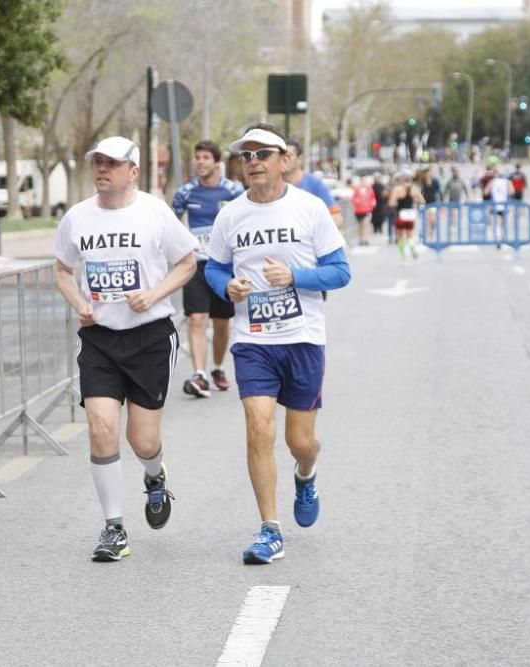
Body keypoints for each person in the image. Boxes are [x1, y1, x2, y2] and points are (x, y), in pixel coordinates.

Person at [204, 124, 351, 565]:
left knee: (300, 441)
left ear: (283, 159)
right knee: (258, 426)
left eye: (261, 154)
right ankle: (270, 529)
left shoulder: (309, 209)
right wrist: (226, 286)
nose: (252, 163)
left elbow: (341, 272)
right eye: (245, 156)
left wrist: (296, 277)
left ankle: (306, 475)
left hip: (303, 337)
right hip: (254, 341)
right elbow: (213, 268)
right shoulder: (231, 214)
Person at [53, 136, 198, 562]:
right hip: (100, 338)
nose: (102, 169)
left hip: (150, 337)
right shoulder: (77, 217)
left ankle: (155, 476)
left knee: (142, 439)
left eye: (111, 163)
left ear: (132, 171)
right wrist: (80, 303)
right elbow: (62, 270)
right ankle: (114, 528)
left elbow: (188, 261)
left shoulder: (154, 212)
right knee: (101, 428)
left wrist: (154, 294)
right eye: (98, 162)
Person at [171, 140, 245, 397]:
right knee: (197, 318)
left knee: (222, 323)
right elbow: (172, 225)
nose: (200, 162)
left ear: (216, 162)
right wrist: (180, 250)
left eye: (205, 158)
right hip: (197, 266)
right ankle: (199, 374)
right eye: (197, 157)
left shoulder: (234, 192)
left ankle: (216, 368)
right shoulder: (185, 193)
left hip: (224, 267)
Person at [283, 138, 344, 230]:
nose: (284, 160)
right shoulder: (272, 185)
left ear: (299, 159)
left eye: (288, 156)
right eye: (281, 156)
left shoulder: (314, 184)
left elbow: (336, 217)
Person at [387, 169, 424, 261]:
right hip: (411, 214)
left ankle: (403, 256)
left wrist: (395, 203)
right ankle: (412, 247)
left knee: (400, 236)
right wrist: (415, 202)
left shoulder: (397, 189)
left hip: (401, 214)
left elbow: (391, 203)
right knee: (410, 235)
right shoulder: (414, 189)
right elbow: (422, 201)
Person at [484, 166, 514, 248]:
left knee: (498, 223)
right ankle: (502, 237)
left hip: (495, 204)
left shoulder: (492, 181)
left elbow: (486, 192)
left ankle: (499, 238)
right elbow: (512, 192)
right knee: (503, 222)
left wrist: (492, 193)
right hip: (504, 204)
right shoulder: (507, 181)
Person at [350, 176, 376, 245]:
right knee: (360, 225)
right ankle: (361, 239)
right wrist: (357, 201)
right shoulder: (357, 189)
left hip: (367, 210)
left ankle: (365, 239)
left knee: (366, 224)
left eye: (365, 180)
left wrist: (373, 203)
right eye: (362, 180)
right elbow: (352, 199)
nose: (364, 182)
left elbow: (373, 197)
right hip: (358, 210)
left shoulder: (369, 189)